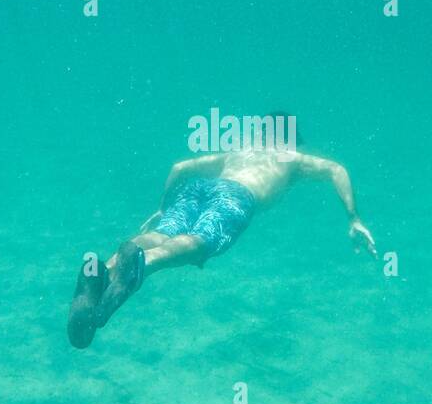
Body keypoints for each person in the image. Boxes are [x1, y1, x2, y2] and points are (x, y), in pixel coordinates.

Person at [67, 134, 376, 348]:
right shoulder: (293, 157)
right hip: (236, 197)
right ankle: (143, 265)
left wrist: (163, 206)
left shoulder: (238, 153)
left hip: (199, 187)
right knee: (201, 242)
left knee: (162, 233)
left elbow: (180, 168)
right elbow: (337, 169)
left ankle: (105, 270)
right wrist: (354, 217)